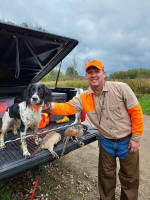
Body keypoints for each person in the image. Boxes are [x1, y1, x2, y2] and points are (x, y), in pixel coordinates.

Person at [43, 59, 144, 200]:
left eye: (97, 71)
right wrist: (51, 106)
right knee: (106, 179)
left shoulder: (121, 88)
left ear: (104, 73)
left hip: (127, 142)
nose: (93, 75)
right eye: (90, 72)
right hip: (106, 142)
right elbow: (67, 107)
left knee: (130, 179)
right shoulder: (84, 97)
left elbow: (136, 112)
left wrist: (136, 138)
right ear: (86, 76)